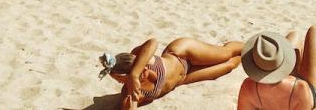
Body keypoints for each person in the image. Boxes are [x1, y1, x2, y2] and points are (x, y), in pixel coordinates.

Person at [100, 37, 243, 109]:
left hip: (182, 53)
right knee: (228, 66)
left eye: (118, 78)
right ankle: (248, 59)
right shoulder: (131, 92)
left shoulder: (138, 56)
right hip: (184, 77)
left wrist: (134, 75)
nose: (118, 82)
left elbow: (153, 42)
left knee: (225, 53)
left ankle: (253, 48)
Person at [237, 27, 316, 110]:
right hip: (298, 90)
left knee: (294, 35)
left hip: (290, 89)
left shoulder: (247, 86)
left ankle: (298, 60)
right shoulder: (300, 88)